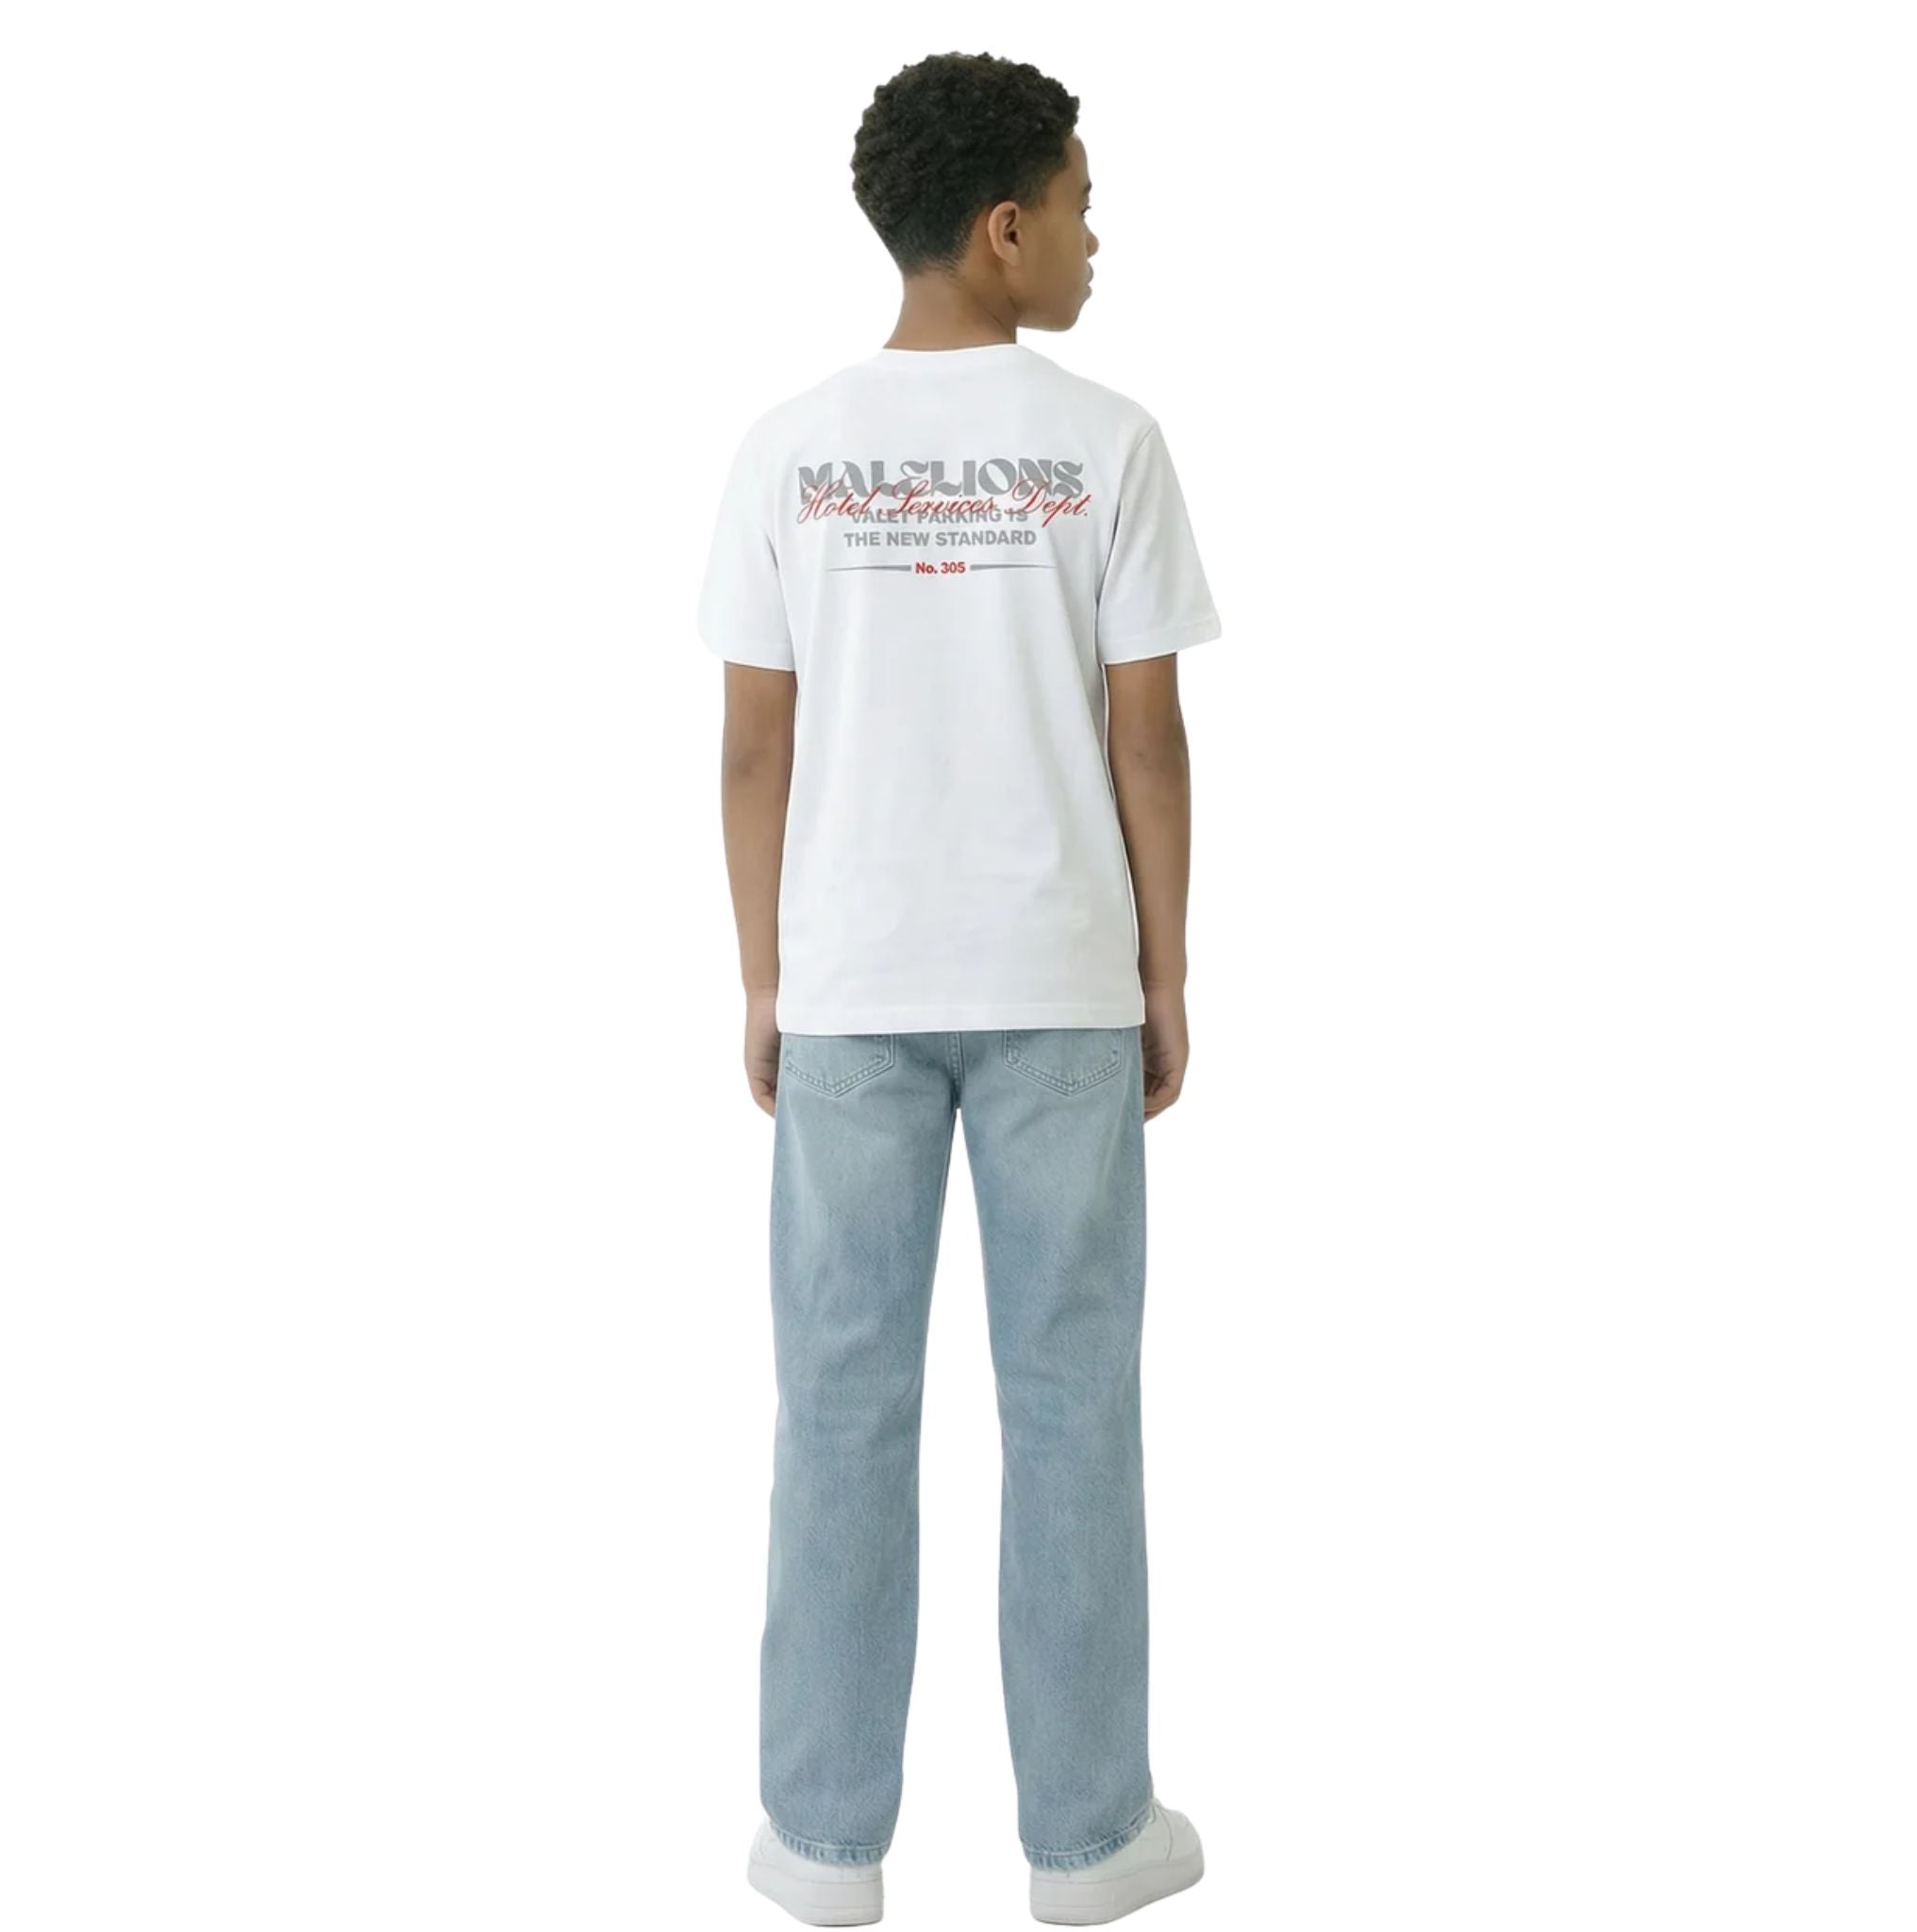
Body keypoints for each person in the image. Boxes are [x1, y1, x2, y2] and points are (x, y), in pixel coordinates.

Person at [697, 51, 1218, 1927]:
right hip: (1059, 984)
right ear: (1005, 228)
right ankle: (1087, 1840)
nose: (1093, 237)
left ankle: (821, 1844)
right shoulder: (1109, 442)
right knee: (1072, 1405)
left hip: (851, 986)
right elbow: (1144, 739)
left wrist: (766, 980)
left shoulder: (788, 447)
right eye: (1077, 205)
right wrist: (1166, 967)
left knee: (838, 1406)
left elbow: (753, 748)